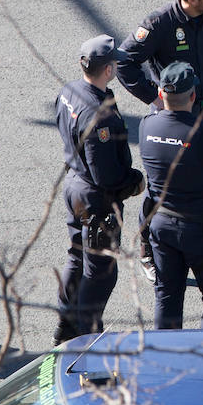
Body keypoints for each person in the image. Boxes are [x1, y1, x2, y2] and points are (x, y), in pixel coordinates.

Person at [117, 0, 203, 283]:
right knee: (161, 185)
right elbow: (124, 62)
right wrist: (153, 98)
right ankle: (147, 245)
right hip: (171, 116)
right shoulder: (159, 24)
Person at [54, 35, 145, 345]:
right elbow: (106, 176)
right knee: (101, 271)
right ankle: (86, 335)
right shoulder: (98, 115)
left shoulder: (69, 90)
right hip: (96, 199)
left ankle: (66, 324)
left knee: (76, 256)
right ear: (107, 69)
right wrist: (135, 182)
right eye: (115, 63)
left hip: (73, 185)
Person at [139, 61, 203, 329]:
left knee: (167, 296)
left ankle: (167, 363)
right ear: (194, 95)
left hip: (161, 225)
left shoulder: (147, 126)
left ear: (161, 94)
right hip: (201, 229)